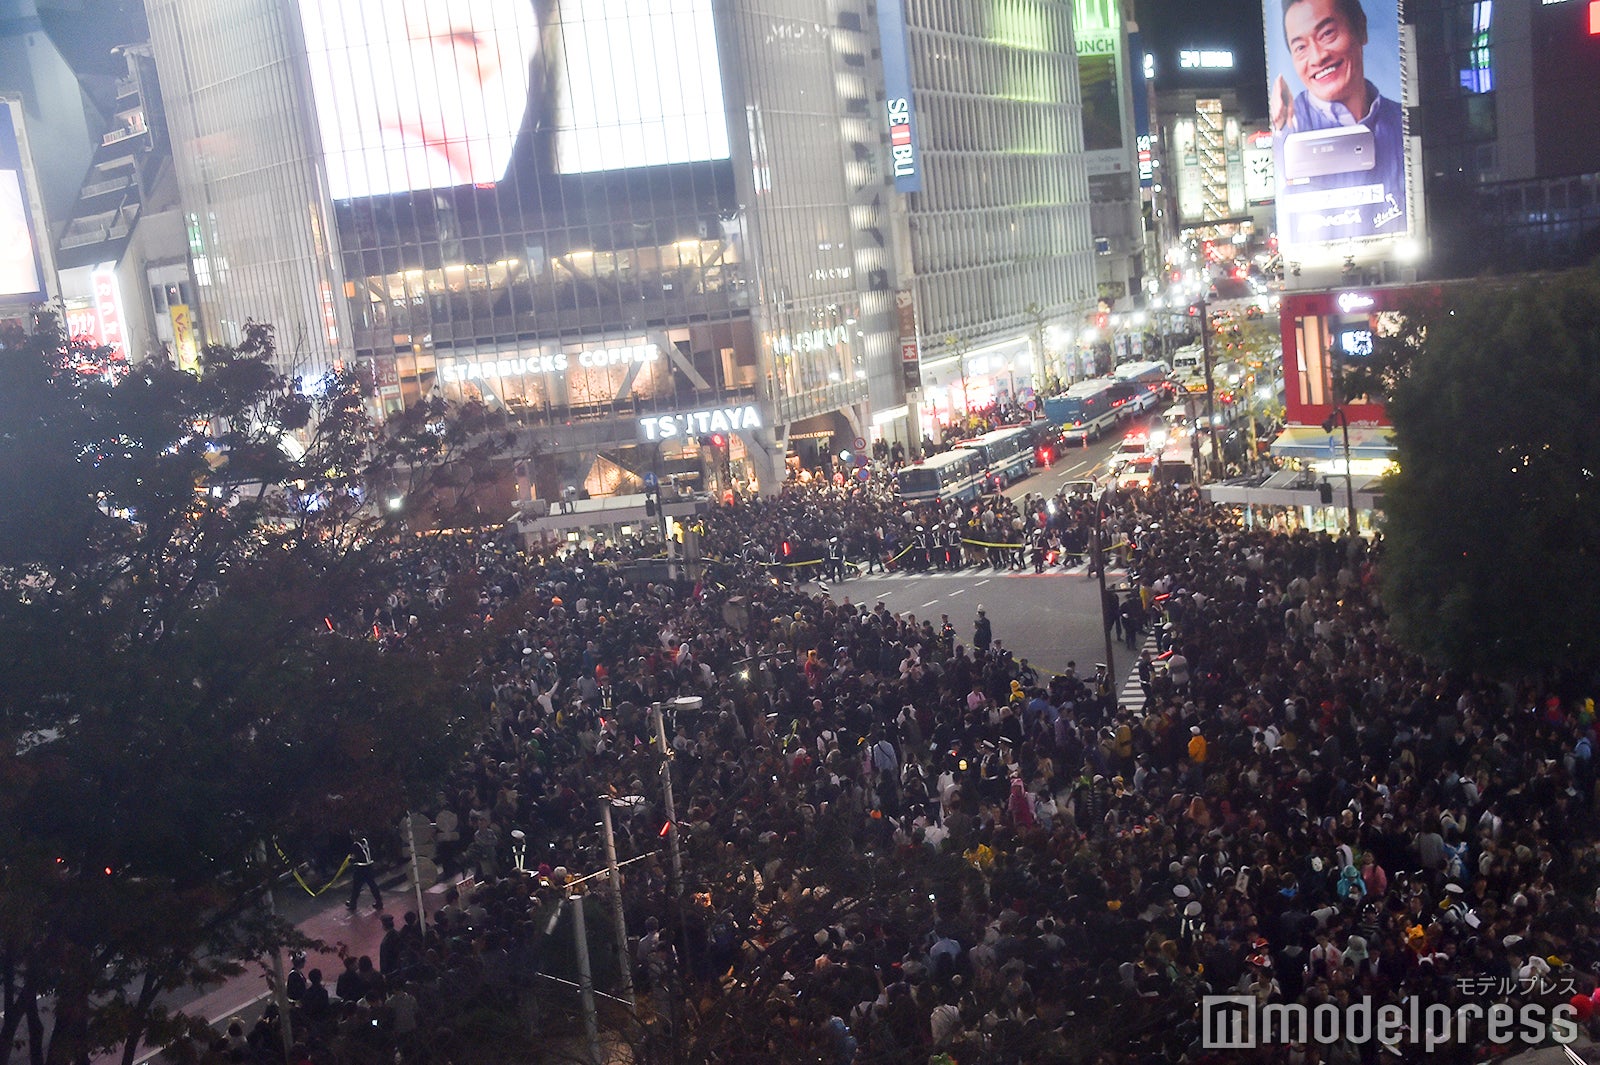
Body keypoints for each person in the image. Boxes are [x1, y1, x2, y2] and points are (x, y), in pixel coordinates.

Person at [1270, 0, 1406, 243]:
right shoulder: (1287, 131)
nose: (1317, 57)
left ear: (1361, 29)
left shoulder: (1402, 123)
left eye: (1327, 34)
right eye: (1300, 47)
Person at [346, 831, 383, 912]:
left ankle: (353, 904)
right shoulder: (365, 841)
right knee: (372, 885)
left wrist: (351, 860)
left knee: (356, 887)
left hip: (361, 868)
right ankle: (379, 902)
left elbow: (358, 858)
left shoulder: (355, 845)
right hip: (369, 866)